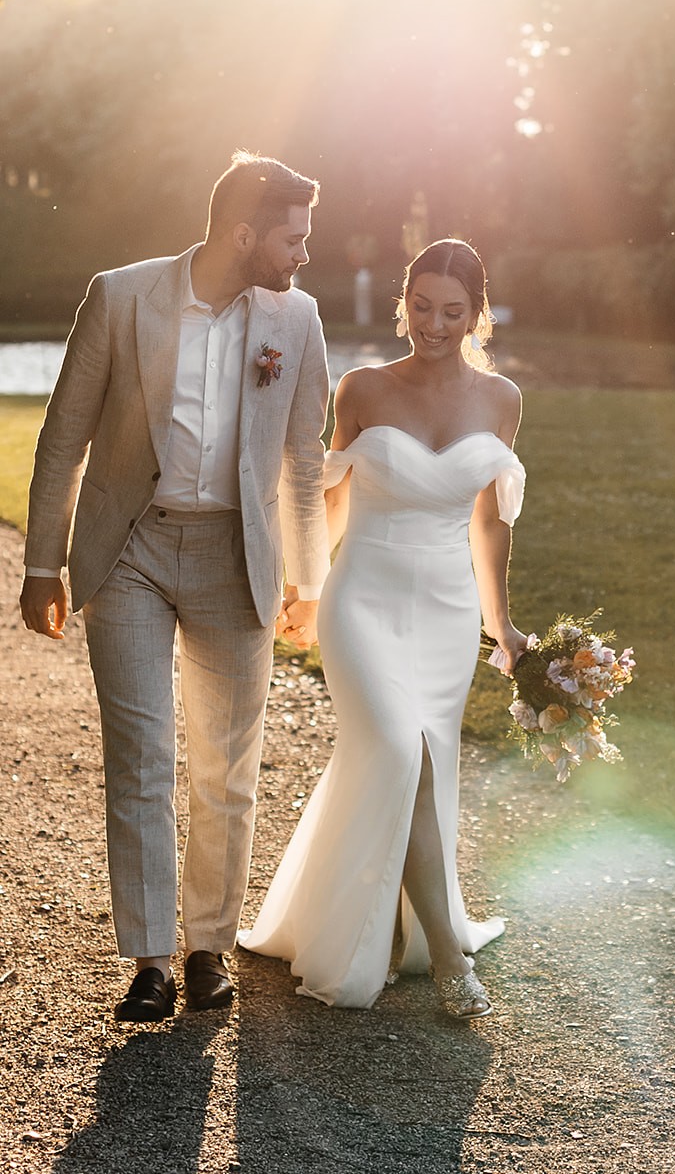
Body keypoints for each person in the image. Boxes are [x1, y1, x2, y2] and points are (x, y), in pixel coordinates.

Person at [19, 151, 332, 1023]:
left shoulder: (296, 318)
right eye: (292, 238)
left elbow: (305, 459)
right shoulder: (121, 298)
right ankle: (152, 958)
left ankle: (208, 948)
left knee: (226, 767)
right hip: (130, 554)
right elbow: (62, 439)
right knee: (144, 756)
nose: (304, 254)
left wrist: (307, 579)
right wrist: (44, 565)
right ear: (243, 233)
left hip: (235, 558)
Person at [239, 237, 529, 1017]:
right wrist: (304, 587)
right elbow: (329, 497)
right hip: (361, 597)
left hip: (444, 611)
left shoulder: (501, 401)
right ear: (404, 302)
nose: (434, 324)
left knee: (414, 766)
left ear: (477, 315)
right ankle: (445, 960)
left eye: (453, 311)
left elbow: (490, 525)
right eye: (422, 306)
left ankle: (369, 920)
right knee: (401, 752)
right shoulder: (361, 388)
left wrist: (501, 625)